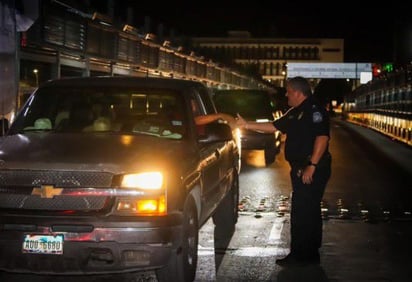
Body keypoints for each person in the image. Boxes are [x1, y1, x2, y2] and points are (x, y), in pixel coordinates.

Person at [236, 76, 332, 266]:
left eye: (288, 91)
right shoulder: (295, 112)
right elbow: (273, 126)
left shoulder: (315, 111)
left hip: (310, 168)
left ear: (297, 92)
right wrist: (247, 125)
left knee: (302, 212)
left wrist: (311, 165)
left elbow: (322, 138)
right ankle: (310, 254)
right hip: (302, 167)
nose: (286, 94)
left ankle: (300, 255)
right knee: (308, 211)